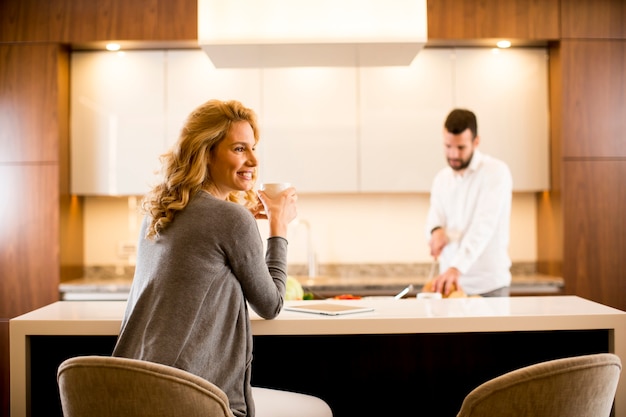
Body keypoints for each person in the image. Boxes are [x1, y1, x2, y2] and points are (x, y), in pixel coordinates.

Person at [112, 99, 333, 417]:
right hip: (188, 399)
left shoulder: (158, 210)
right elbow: (271, 304)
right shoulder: (231, 219)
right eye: (240, 149)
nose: (254, 160)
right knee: (318, 410)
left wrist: (242, 218)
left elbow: (199, 249)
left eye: (253, 148)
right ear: (207, 152)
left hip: (130, 389)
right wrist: (278, 225)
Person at [424, 108, 513, 297]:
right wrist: (436, 232)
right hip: (450, 286)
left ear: (476, 141)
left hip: (488, 285)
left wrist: (456, 268)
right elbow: (435, 216)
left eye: (461, 148)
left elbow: (484, 226)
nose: (454, 154)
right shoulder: (442, 179)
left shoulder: (496, 172)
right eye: (448, 146)